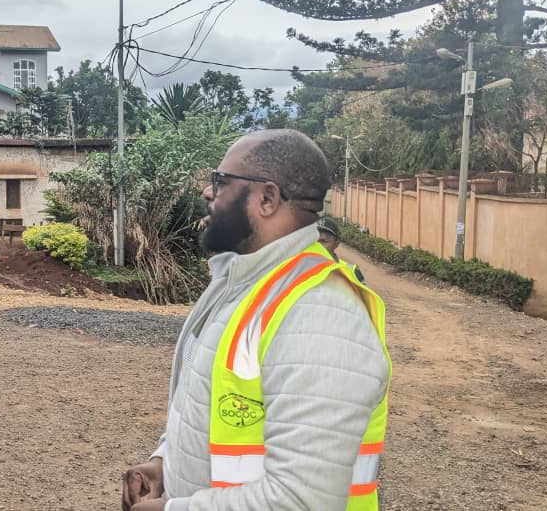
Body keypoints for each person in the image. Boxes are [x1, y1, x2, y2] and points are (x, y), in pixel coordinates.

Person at [121, 129, 391, 511]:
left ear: (267, 198)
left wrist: (171, 510)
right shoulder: (241, 282)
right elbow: (207, 407)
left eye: (221, 181)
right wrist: (164, 463)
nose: (207, 192)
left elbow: (303, 500)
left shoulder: (320, 315)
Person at [317, 216, 366, 284]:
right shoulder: (300, 270)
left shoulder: (352, 272)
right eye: (313, 242)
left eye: (324, 241)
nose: (318, 246)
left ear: (336, 243)